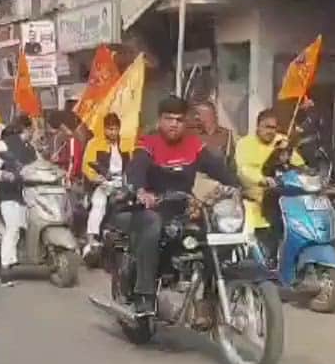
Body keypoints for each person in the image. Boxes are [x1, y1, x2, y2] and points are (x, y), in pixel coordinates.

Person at [122, 96, 240, 316]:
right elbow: (136, 168)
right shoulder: (148, 143)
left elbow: (217, 168)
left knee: (217, 230)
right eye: (169, 119)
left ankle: (208, 296)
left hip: (183, 207)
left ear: (185, 122)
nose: (174, 124)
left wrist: (237, 186)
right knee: (152, 225)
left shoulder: (193, 145)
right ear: (160, 120)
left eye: (179, 119)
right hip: (152, 207)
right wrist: (140, 191)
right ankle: (145, 294)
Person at [235, 108, 304, 265]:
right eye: (267, 127)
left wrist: (308, 174)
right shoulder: (245, 144)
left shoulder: (281, 142)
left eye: (273, 128)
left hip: (284, 200)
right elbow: (243, 170)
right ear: (258, 126)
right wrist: (262, 180)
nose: (270, 131)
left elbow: (299, 165)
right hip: (256, 200)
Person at [0, 115, 38, 283]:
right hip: (8, 192)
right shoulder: (3, 145)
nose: (33, 132)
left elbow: (39, 166)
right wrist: (4, 174)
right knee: (13, 227)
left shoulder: (30, 148)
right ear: (26, 129)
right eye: (32, 129)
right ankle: (6, 267)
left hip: (28, 193)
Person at [80, 112, 130, 256]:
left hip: (122, 183)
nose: (113, 132)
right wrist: (97, 178)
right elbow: (86, 166)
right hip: (102, 183)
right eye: (110, 129)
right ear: (104, 129)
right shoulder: (94, 143)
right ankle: (91, 239)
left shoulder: (126, 144)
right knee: (99, 203)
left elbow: (132, 165)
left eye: (115, 129)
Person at [193, 101, 235, 169]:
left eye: (198, 114)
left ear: (209, 115)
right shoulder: (193, 134)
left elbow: (231, 161)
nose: (195, 117)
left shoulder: (227, 134)